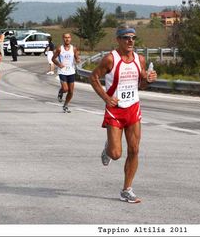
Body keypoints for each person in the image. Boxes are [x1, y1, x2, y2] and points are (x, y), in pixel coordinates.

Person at [89, 25, 157, 203]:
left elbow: (141, 85)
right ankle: (108, 148)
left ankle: (127, 189)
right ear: (118, 40)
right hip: (115, 111)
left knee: (134, 150)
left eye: (133, 38)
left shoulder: (139, 59)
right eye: (126, 38)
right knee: (116, 153)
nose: (130, 41)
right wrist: (106, 97)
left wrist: (148, 80)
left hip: (133, 108)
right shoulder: (111, 59)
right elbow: (93, 77)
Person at [51, 33, 81, 113]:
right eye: (65, 37)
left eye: (68, 37)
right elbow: (53, 59)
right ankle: (61, 92)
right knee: (65, 89)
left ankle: (65, 105)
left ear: (70, 39)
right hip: (62, 71)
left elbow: (77, 57)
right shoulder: (59, 49)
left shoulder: (73, 48)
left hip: (71, 71)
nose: (67, 39)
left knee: (71, 91)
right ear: (63, 38)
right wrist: (58, 64)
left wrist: (78, 60)